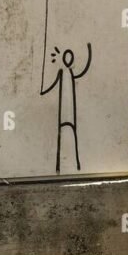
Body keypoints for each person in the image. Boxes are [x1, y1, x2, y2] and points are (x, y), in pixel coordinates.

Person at [40, 43, 92, 173]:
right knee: (61, 134)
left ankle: (77, 162)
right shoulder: (62, 72)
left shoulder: (70, 72)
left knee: (73, 133)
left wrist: (89, 53)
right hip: (64, 110)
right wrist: (44, 91)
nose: (68, 60)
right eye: (67, 57)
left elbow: (83, 71)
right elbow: (53, 84)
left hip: (70, 110)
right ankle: (58, 164)